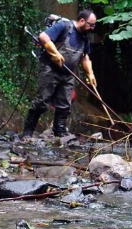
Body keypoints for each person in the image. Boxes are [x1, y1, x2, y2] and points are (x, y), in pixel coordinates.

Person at [22, 9, 97, 138]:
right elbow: (43, 36)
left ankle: (60, 132)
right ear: (82, 20)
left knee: (64, 104)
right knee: (42, 101)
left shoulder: (85, 38)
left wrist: (90, 74)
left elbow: (85, 57)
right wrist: (55, 53)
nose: (92, 27)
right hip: (50, 69)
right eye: (91, 24)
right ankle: (28, 132)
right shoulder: (64, 26)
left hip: (68, 74)